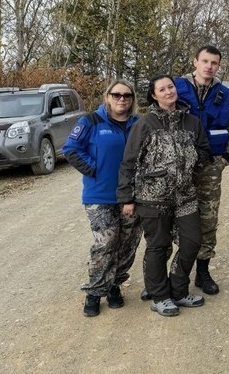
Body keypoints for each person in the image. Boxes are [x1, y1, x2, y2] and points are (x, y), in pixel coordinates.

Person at [117, 74, 211, 317]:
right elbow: (129, 162)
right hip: (152, 198)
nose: (168, 91)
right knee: (158, 246)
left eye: (171, 87)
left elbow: (203, 149)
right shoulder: (145, 123)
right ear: (154, 95)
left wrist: (193, 161)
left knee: (192, 242)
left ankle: (179, 291)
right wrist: (126, 198)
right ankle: (160, 296)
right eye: (162, 89)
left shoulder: (191, 122)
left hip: (185, 196)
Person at [63, 80, 142, 317]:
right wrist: (94, 169)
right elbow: (71, 149)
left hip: (131, 195)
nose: (122, 99)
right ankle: (95, 292)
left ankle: (115, 285)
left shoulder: (138, 123)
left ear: (132, 99)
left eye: (127, 95)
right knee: (105, 243)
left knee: (127, 243)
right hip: (100, 195)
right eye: (116, 94)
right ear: (107, 96)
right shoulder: (91, 121)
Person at [175, 45, 229, 295]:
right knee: (174, 218)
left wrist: (227, 156)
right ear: (195, 61)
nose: (209, 66)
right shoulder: (176, 88)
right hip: (178, 166)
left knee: (208, 218)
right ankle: (172, 273)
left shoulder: (224, 94)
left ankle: (202, 272)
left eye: (214, 63)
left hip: (210, 166)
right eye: (205, 61)